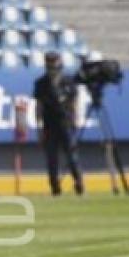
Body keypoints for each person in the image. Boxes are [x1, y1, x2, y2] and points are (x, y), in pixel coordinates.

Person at [33, 51, 83, 196]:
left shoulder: (68, 81)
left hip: (66, 123)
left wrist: (75, 119)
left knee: (72, 156)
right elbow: (39, 106)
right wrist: (39, 127)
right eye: (50, 66)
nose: (53, 69)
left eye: (55, 65)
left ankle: (78, 183)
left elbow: (74, 101)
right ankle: (55, 187)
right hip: (49, 125)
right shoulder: (41, 83)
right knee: (51, 158)